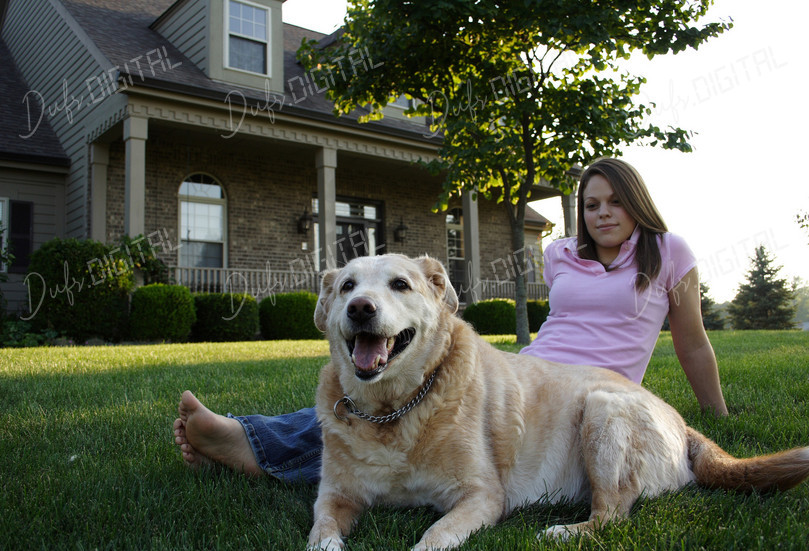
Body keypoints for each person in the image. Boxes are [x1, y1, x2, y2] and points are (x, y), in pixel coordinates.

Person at [173, 157, 728, 484]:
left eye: (614, 202)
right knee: (389, 402)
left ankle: (253, 446)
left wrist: (716, 413)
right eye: (591, 204)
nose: (602, 213)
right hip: (524, 373)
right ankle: (253, 439)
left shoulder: (670, 252)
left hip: (590, 393)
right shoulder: (561, 254)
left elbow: (694, 343)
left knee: (416, 427)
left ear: (637, 202)